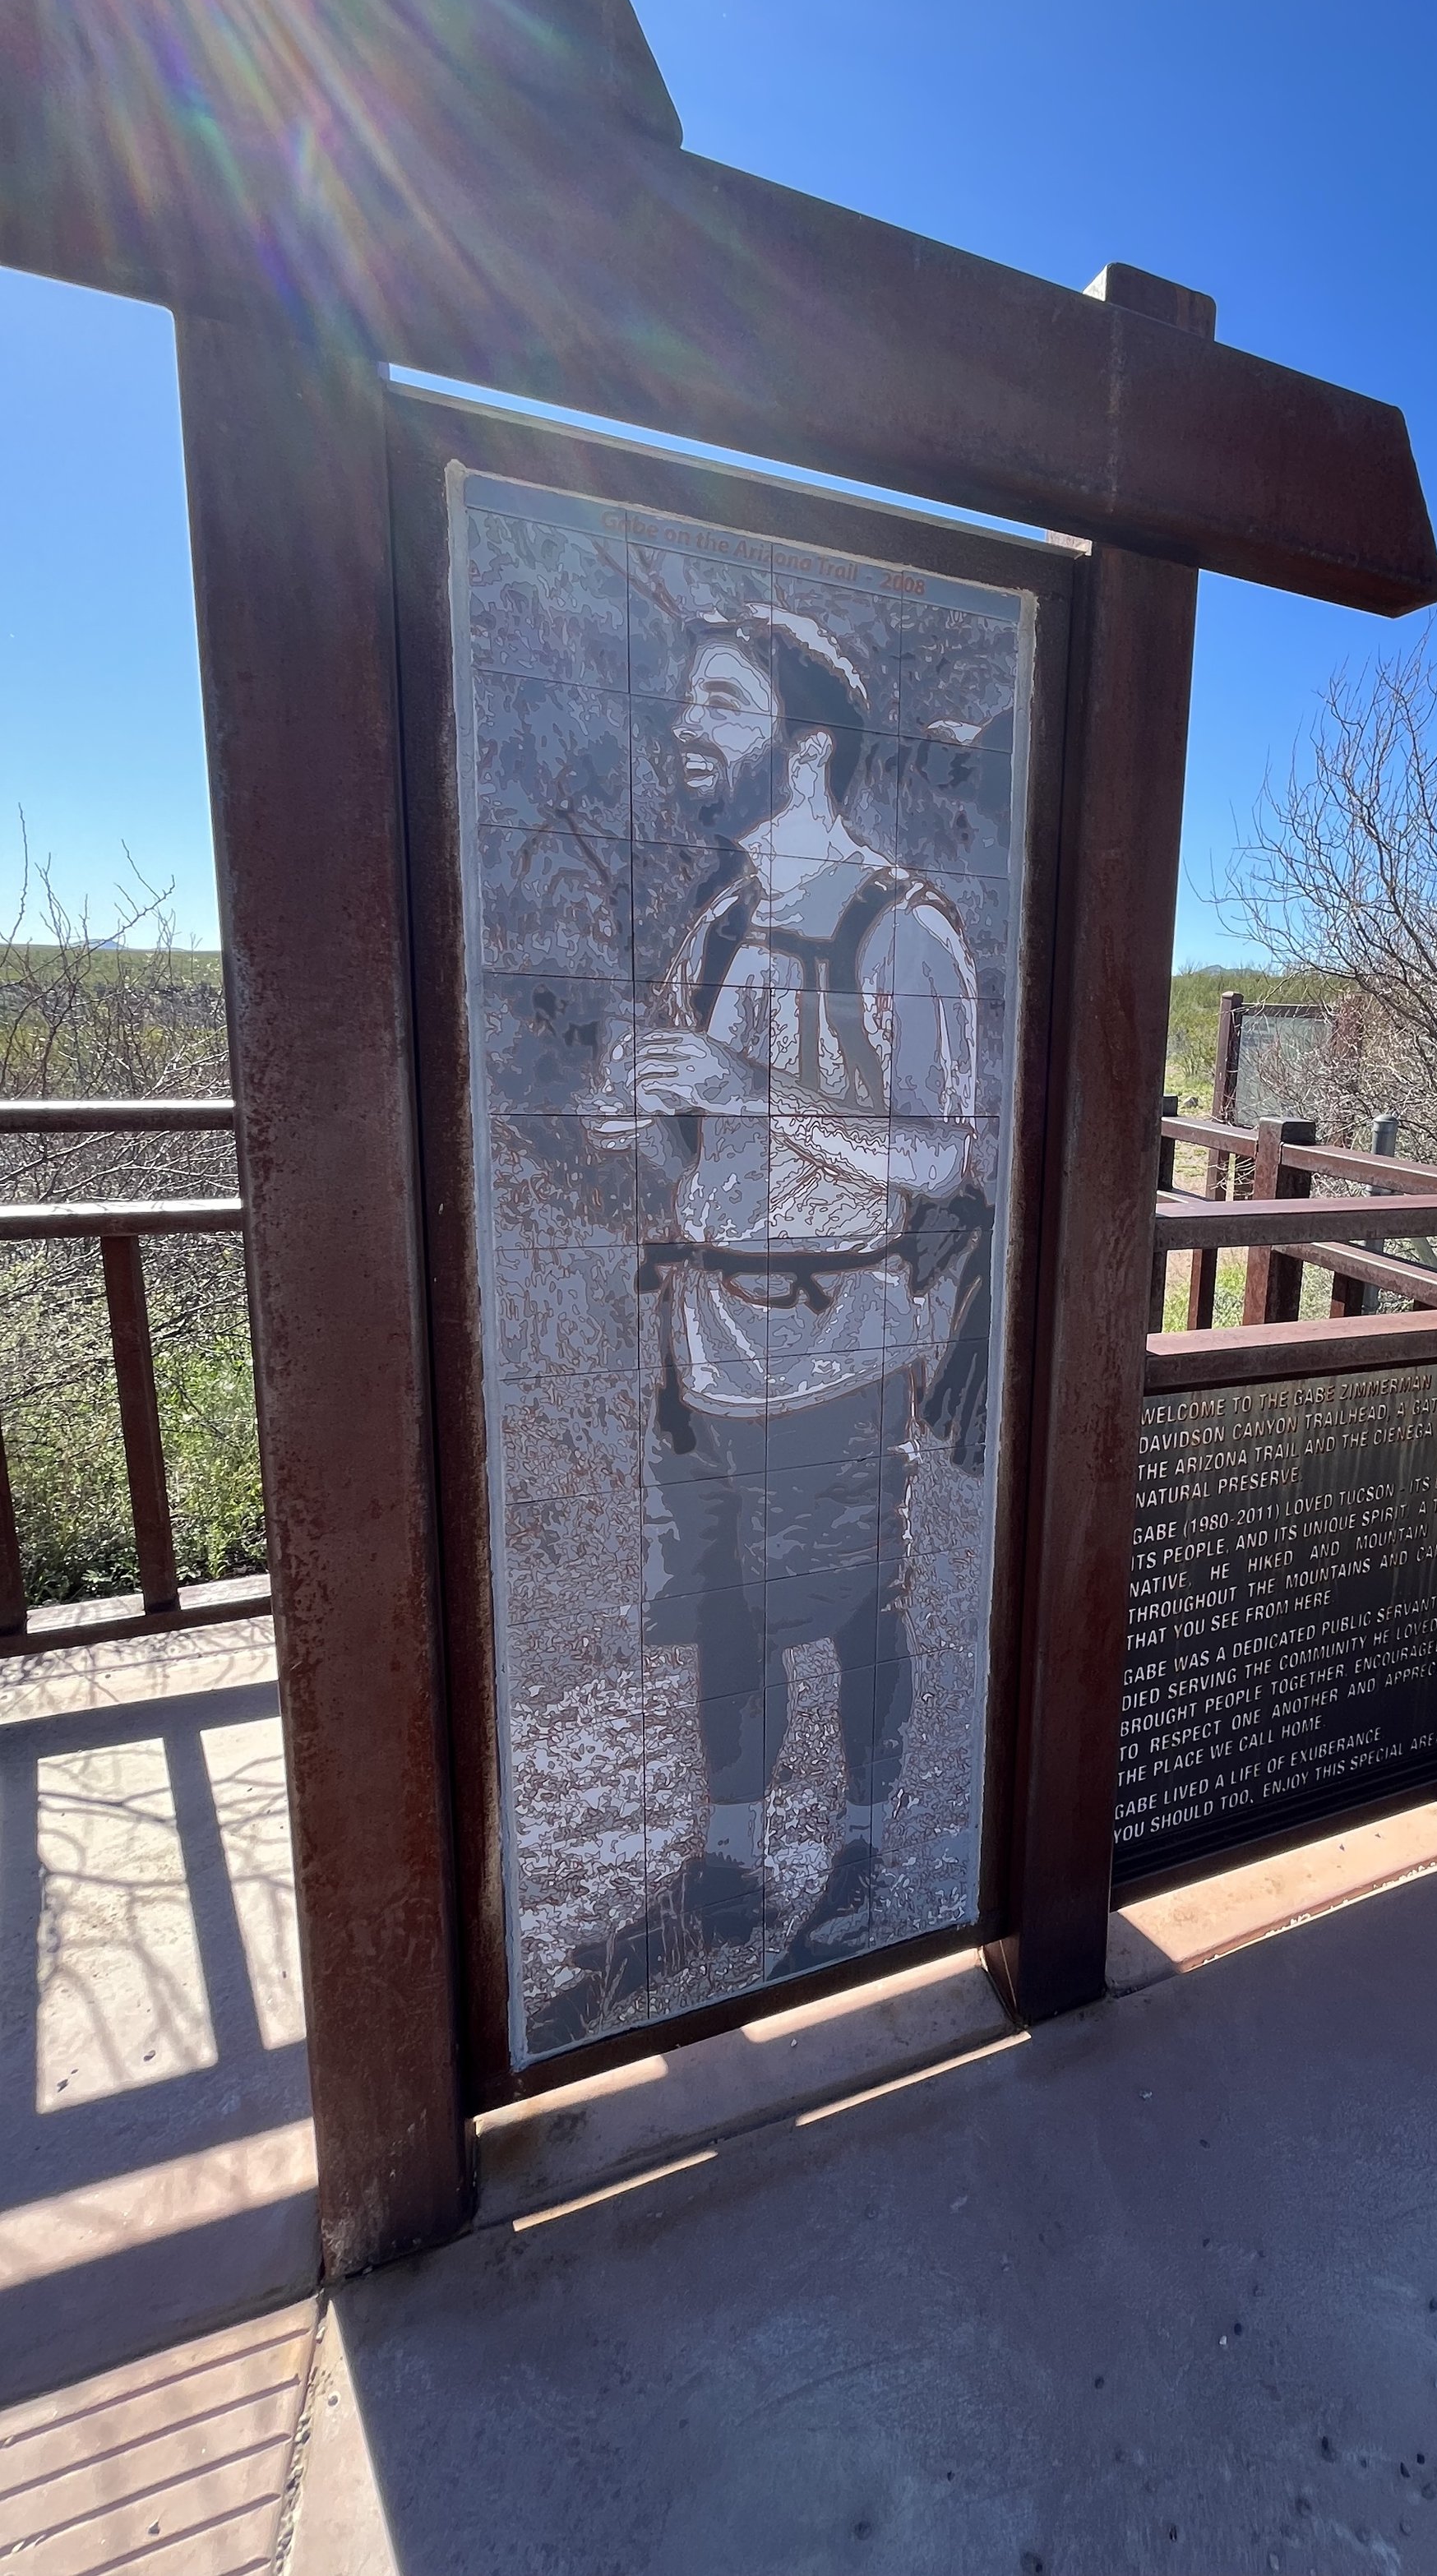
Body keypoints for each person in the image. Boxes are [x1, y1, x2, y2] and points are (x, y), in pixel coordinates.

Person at [529, 601, 991, 2046]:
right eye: (687, 703)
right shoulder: (714, 928)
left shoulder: (906, 929)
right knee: (727, 1619)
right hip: (706, 1341)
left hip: (842, 1342)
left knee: (857, 1604)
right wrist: (636, 1118)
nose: (686, 730)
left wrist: (742, 1089)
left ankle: (859, 1848)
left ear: (803, 751)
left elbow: (943, 1157)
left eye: (720, 705)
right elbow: (694, 1147)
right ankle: (729, 1861)